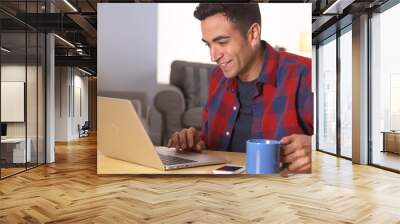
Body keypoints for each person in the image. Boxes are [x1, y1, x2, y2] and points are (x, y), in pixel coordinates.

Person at [167, 3, 313, 173]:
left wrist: (315, 148)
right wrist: (194, 143)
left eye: (222, 42)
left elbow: (344, 142)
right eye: (208, 44)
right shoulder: (218, 77)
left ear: (253, 34)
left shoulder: (304, 73)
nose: (213, 56)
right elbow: (211, 144)